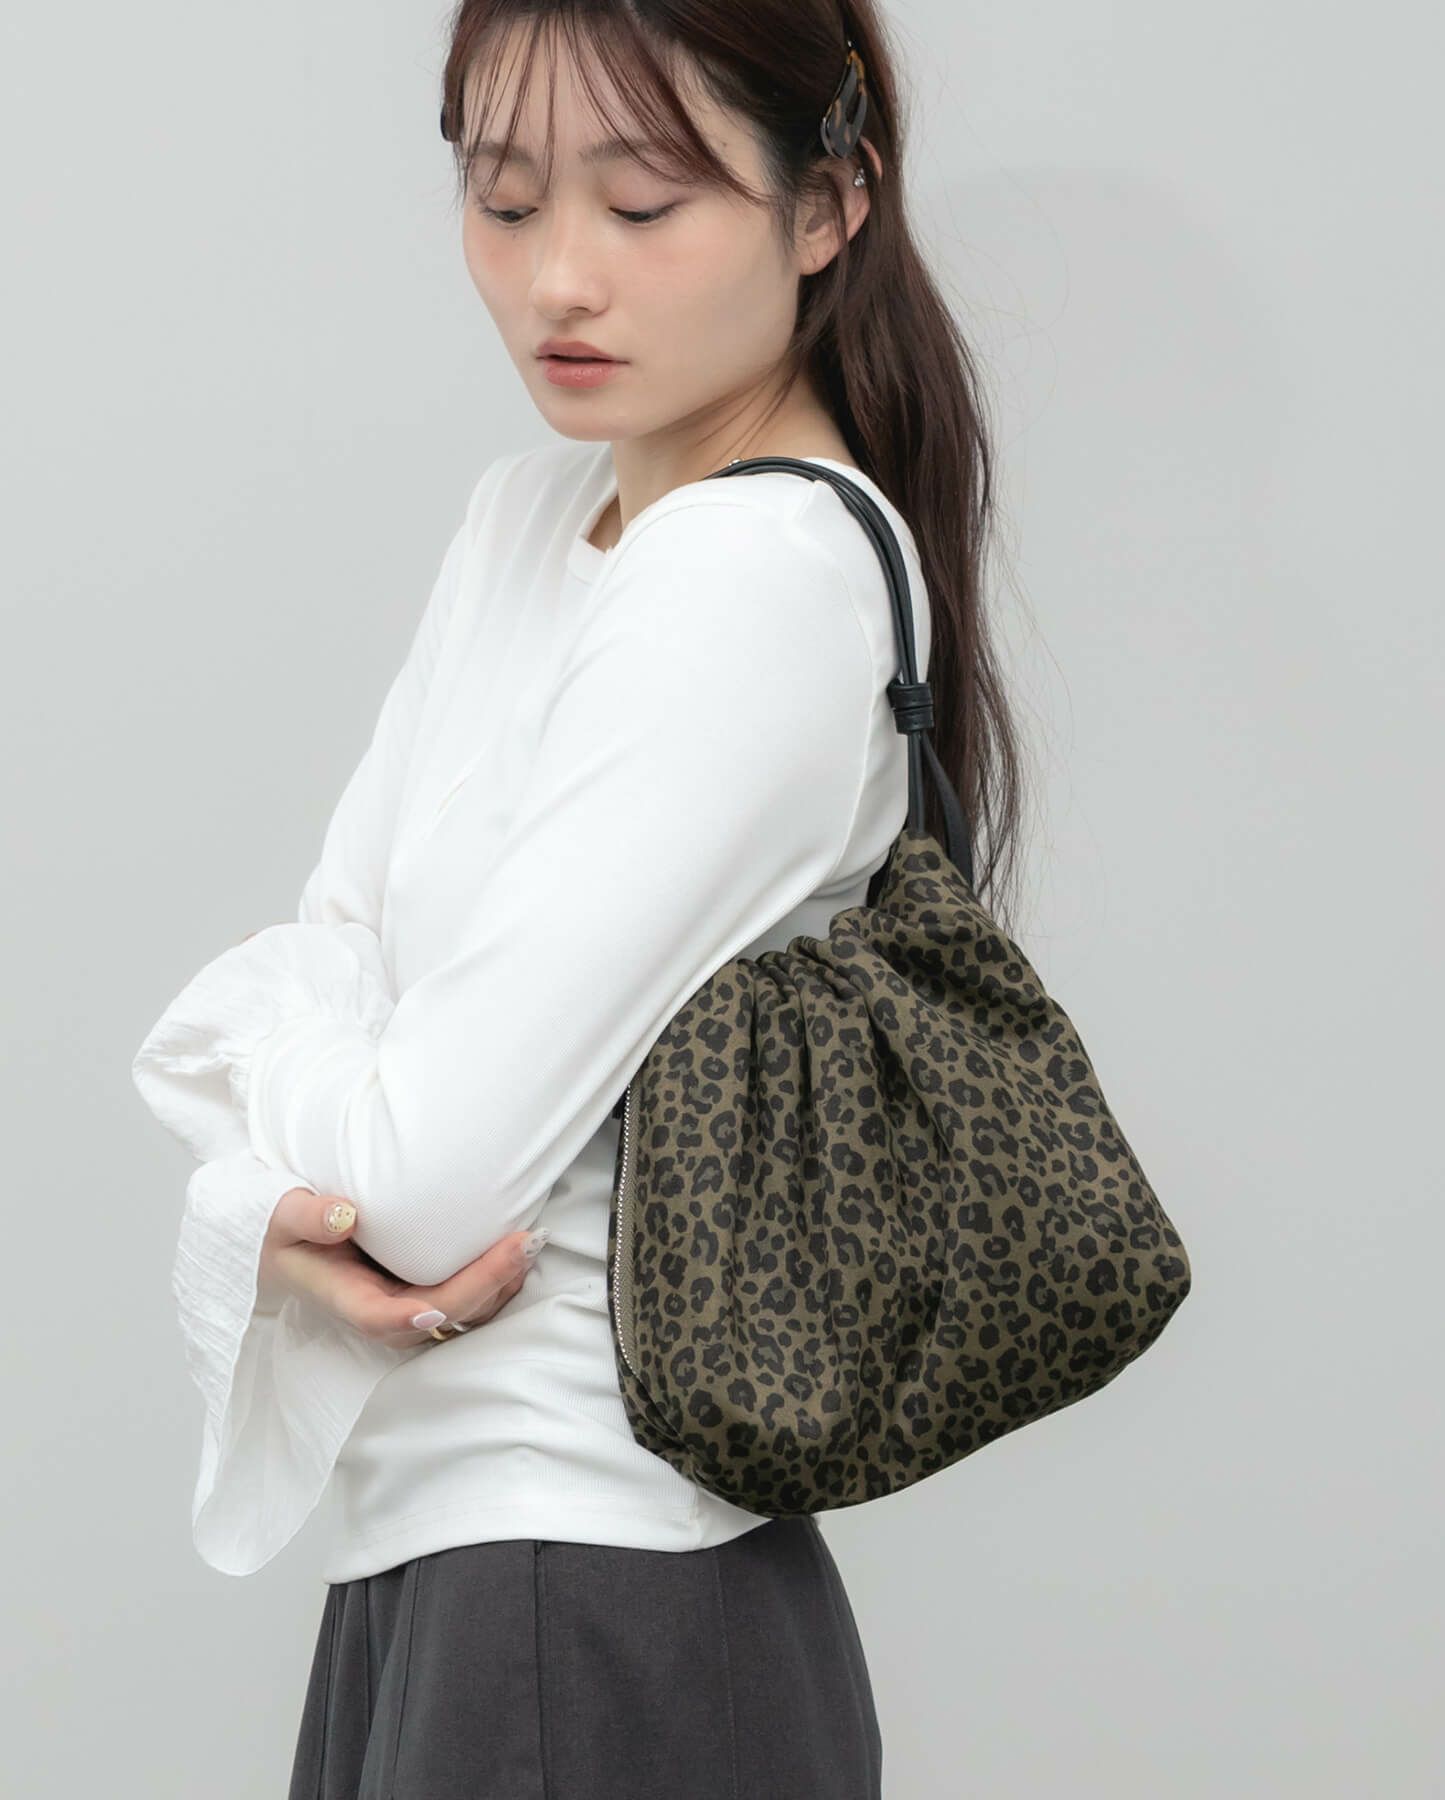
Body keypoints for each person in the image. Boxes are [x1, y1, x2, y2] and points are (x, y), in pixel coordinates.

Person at [131, 3, 1027, 1794]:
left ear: (827, 204)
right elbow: (336, 969)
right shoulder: (524, 527)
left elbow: (416, 1175)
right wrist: (315, 1117)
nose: (558, 280)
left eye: (641, 206)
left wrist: (269, 1092)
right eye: (505, 199)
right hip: (451, 1574)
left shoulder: (758, 577)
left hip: (589, 1598)